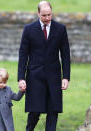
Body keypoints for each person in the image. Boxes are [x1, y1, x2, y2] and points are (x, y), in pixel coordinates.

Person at [18, 1, 70, 131]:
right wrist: (21, 78)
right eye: (44, 15)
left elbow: (65, 55)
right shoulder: (29, 29)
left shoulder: (60, 29)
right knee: (35, 111)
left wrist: (66, 77)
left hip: (54, 77)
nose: (47, 18)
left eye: (49, 15)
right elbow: (23, 54)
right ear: (38, 14)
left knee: (53, 111)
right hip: (35, 77)